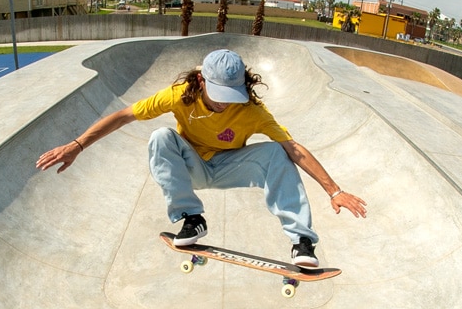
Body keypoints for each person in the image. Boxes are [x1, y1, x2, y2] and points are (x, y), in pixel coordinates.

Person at [36, 48, 367, 268]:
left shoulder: (252, 111)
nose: (226, 104)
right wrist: (78, 145)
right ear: (199, 81)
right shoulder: (178, 96)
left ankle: (302, 241)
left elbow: (294, 148)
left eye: (232, 96)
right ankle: (192, 218)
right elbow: (124, 115)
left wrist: (334, 190)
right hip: (192, 166)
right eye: (219, 95)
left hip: (230, 167)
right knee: (160, 136)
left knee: (277, 151)